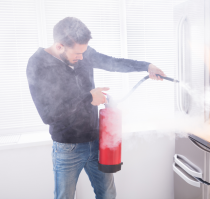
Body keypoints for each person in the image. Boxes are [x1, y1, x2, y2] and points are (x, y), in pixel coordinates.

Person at [26, 17, 166, 199]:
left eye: (84, 52)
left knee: (108, 194)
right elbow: (48, 115)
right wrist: (88, 98)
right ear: (60, 46)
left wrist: (147, 66)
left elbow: (113, 63)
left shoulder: (81, 52)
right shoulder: (38, 64)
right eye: (77, 54)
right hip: (67, 148)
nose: (82, 58)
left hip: (96, 142)